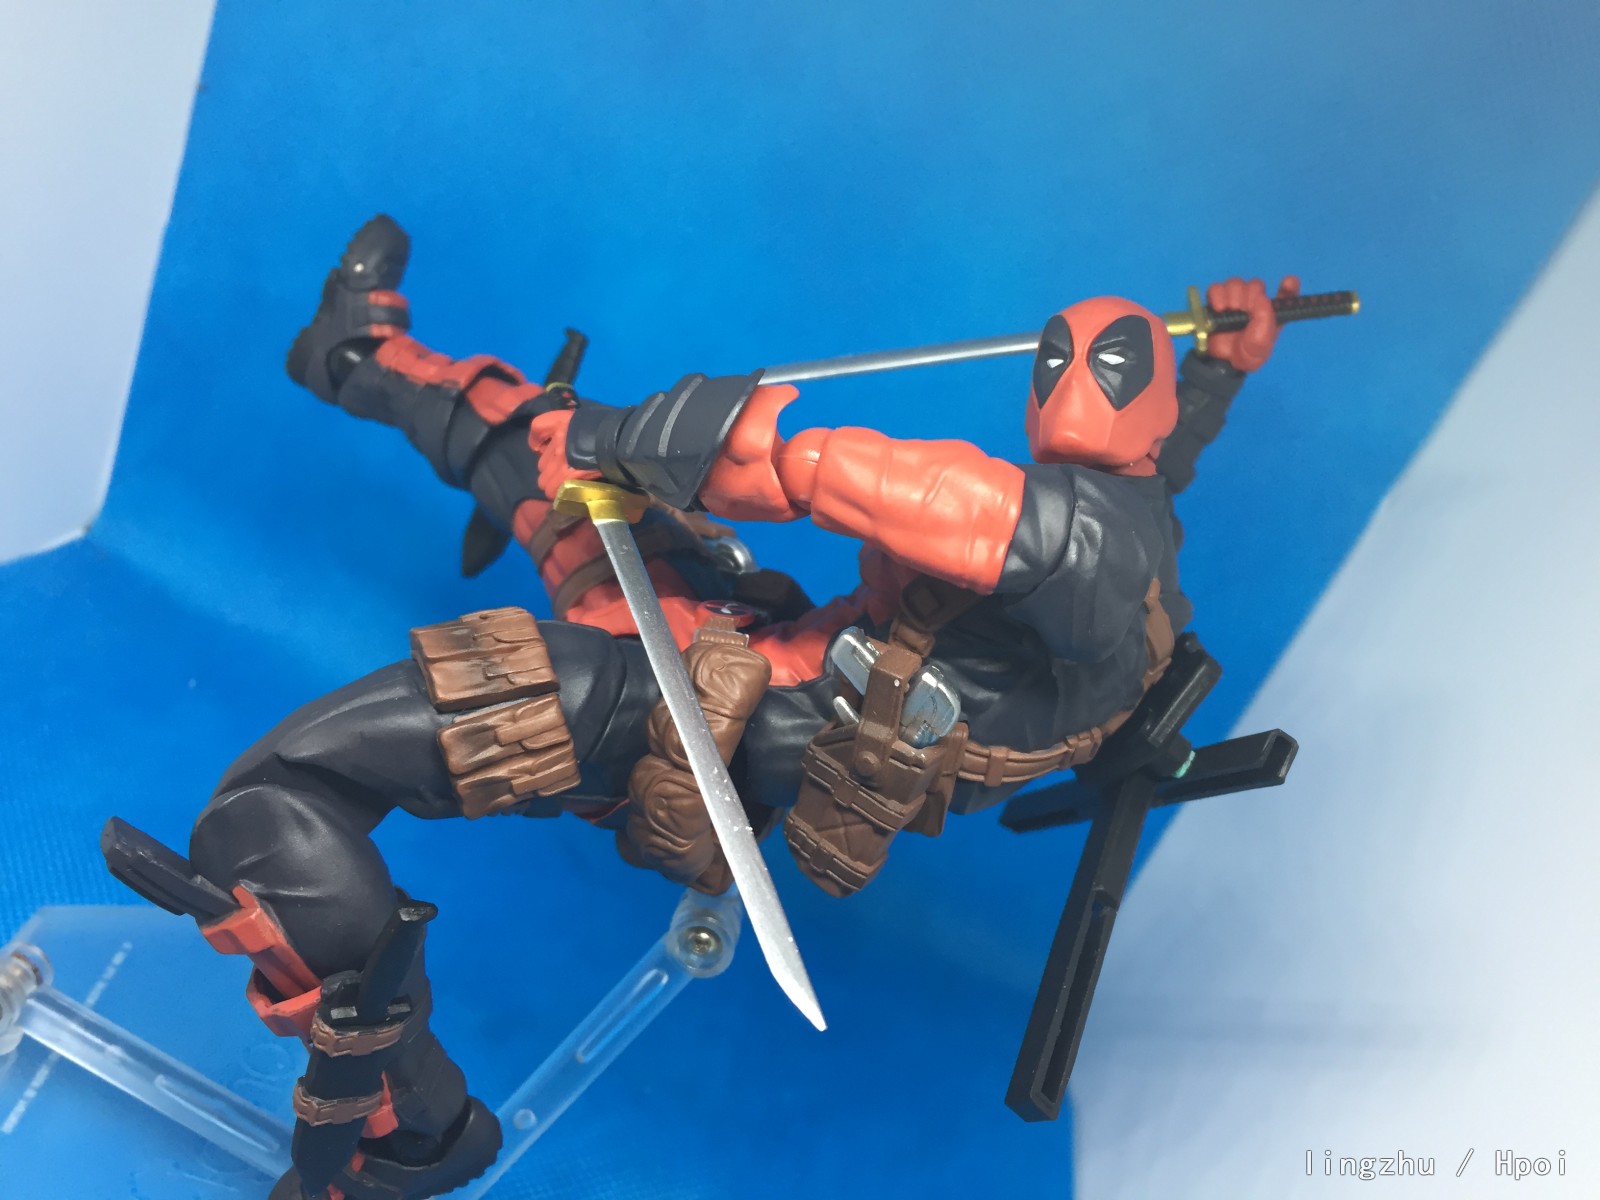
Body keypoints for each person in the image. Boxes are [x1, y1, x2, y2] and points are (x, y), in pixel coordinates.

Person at [180, 217, 1294, 1199]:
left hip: (717, 729)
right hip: (747, 646)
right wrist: (1222, 367)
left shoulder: (1080, 545)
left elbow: (872, 484)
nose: (1074, 383)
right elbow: (1157, 458)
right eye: (1061, 357)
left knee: (274, 806)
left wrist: (668, 443)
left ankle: (409, 1135)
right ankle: (354, 350)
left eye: (1108, 364)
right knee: (546, 459)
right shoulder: (1141, 517)